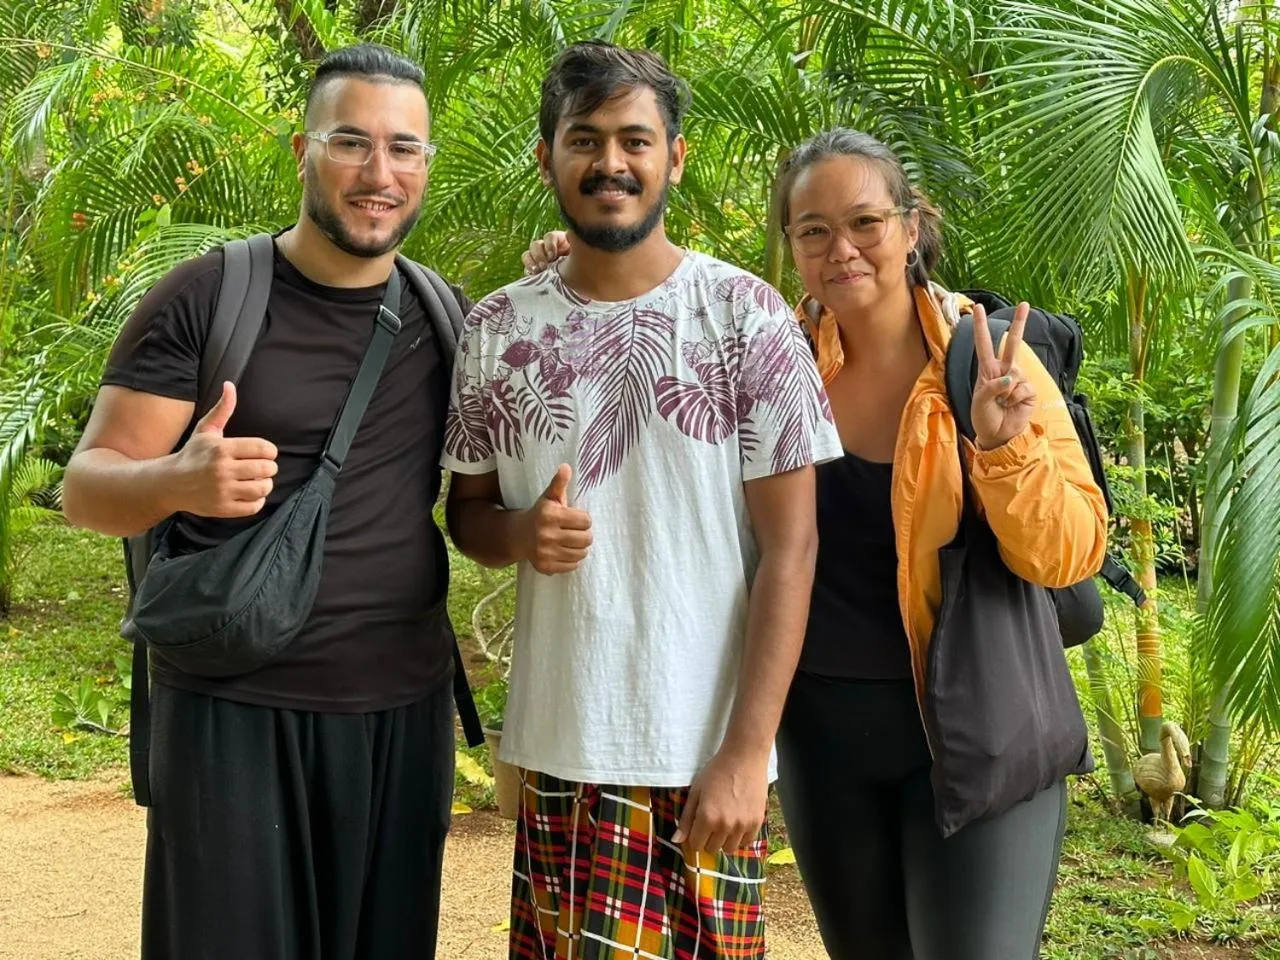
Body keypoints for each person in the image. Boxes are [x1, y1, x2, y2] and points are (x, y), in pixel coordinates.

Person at [522, 127, 1108, 959]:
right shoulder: (770, 352)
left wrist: (1001, 449)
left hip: (980, 726)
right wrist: (575, 262)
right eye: (813, 231)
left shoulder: (989, 360)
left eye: (866, 222)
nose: (844, 250)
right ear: (790, 245)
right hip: (824, 740)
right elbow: (651, 369)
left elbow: (1069, 556)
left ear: (911, 227)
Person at [61, 43, 467, 960]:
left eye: (405, 149)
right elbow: (87, 487)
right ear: (302, 149)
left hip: (400, 711)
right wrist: (176, 480)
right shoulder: (210, 297)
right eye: (352, 142)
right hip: (230, 710)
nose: (380, 172)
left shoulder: (449, 316)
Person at [443, 41, 840, 960]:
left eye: (634, 139)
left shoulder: (747, 317)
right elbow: (466, 517)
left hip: (699, 756)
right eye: (585, 140)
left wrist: (747, 756)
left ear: (674, 157)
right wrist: (520, 532)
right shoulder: (497, 328)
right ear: (548, 158)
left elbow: (794, 551)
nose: (610, 163)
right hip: (558, 745)